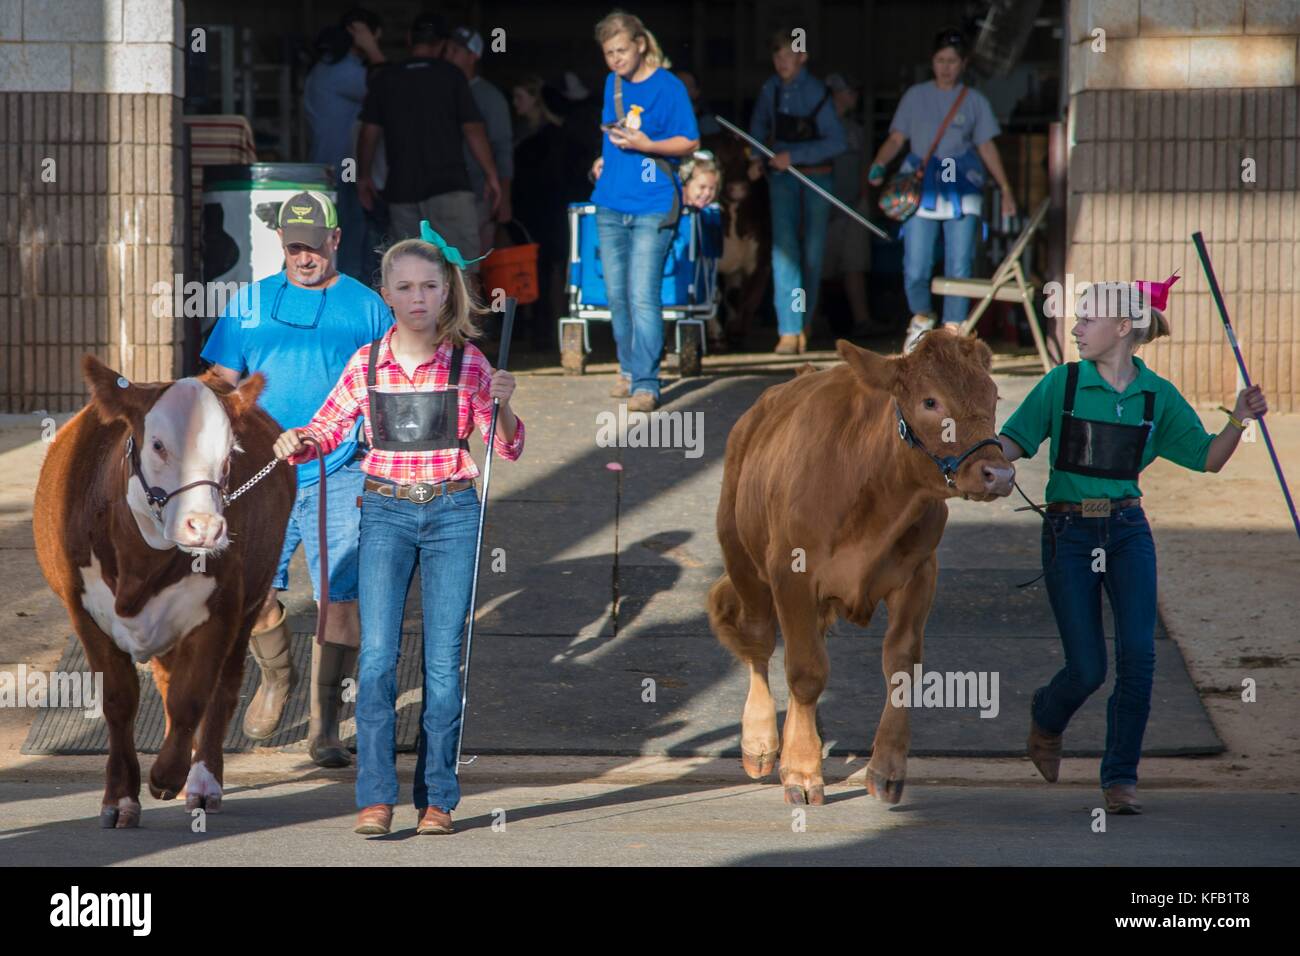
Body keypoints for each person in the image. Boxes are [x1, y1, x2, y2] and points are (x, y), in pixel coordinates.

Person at [273, 221, 524, 836]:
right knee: (380, 658)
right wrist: (297, 439)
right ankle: (376, 798)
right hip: (383, 511)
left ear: (447, 293)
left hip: (452, 512)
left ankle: (438, 796)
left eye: (430, 286)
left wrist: (504, 402)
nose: (418, 297)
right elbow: (327, 429)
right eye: (405, 286)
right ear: (386, 293)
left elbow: (507, 448)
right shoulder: (366, 364)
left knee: (443, 663)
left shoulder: (470, 363)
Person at [997, 276, 1269, 814]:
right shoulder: (1062, 384)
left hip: (1126, 531)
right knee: (1087, 669)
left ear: (1123, 328)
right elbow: (1012, 441)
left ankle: (1120, 778)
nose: (1074, 327)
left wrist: (1239, 418)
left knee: (1140, 659)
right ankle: (1046, 718)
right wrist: (984, 460)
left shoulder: (1157, 396)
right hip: (1068, 534)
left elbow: (1208, 458)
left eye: (1086, 319)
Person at [202, 191, 393, 767]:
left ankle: (326, 725)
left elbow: (390, 386)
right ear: (280, 246)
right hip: (261, 475)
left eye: (314, 246)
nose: (304, 257)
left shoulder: (367, 307)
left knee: (341, 598)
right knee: (251, 594)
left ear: (337, 239)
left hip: (341, 468)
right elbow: (219, 379)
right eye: (293, 248)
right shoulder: (249, 304)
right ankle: (277, 679)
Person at [867, 27, 1016, 352]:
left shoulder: (974, 101)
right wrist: (879, 164)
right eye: (940, 60)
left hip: (962, 185)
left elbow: (987, 146)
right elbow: (896, 138)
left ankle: (953, 331)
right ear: (932, 62)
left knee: (959, 264)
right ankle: (921, 317)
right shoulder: (915, 96)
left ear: (962, 64)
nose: (946, 66)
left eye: (952, 61)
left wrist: (1005, 187)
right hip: (923, 188)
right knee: (916, 264)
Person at [588, 10, 699, 411]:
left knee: (641, 294)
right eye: (608, 52)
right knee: (616, 294)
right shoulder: (611, 84)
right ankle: (628, 367)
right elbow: (609, 132)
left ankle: (647, 383)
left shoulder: (669, 87)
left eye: (621, 49)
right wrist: (602, 162)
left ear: (640, 44)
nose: (615, 58)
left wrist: (646, 145)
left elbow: (689, 140)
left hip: (653, 202)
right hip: (611, 200)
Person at [356, 12, 500, 271]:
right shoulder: (452, 76)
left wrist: (363, 176)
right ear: (442, 45)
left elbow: (369, 132)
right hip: (450, 187)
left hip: (402, 191)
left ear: (410, 39)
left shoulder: (387, 79)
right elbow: (473, 129)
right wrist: (491, 174)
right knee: (460, 269)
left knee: (408, 271)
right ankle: (461, 313)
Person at [748, 27, 846, 355]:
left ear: (802, 58)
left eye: (788, 55)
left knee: (813, 254)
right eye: (777, 56)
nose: (781, 62)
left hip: (816, 178)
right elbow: (758, 131)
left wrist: (796, 155)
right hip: (782, 179)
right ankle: (788, 329)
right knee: (783, 251)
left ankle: (805, 320)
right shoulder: (769, 90)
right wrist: (756, 157)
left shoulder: (819, 92)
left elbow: (837, 142)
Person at [303, 7, 387, 281]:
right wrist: (372, 49)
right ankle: (351, 308)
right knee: (349, 246)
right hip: (340, 172)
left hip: (339, 169)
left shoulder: (329, 68)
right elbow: (391, 89)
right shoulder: (341, 70)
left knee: (351, 243)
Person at [820, 72, 887, 338]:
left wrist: (864, 200)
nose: (854, 97)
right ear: (834, 93)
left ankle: (862, 321)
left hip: (854, 205)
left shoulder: (856, 130)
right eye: (849, 91)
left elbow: (864, 166)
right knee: (818, 267)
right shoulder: (818, 127)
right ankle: (810, 323)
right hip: (823, 205)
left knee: (855, 264)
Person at [512, 75, 577, 347]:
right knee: (540, 269)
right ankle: (541, 330)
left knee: (547, 269)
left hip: (546, 212)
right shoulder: (528, 134)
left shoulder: (546, 139)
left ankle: (546, 331)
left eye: (520, 98)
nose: (515, 104)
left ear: (536, 102)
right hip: (538, 212)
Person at [443, 26, 514, 258]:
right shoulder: (438, 88)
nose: (448, 55)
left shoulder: (489, 97)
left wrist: (504, 197)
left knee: (471, 262)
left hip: (477, 194)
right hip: (440, 191)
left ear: (473, 56)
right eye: (447, 49)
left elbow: (503, 147)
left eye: (456, 50)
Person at [675, 69, 721, 137]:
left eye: (684, 86)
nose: (677, 90)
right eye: (674, 84)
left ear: (697, 92)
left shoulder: (706, 123)